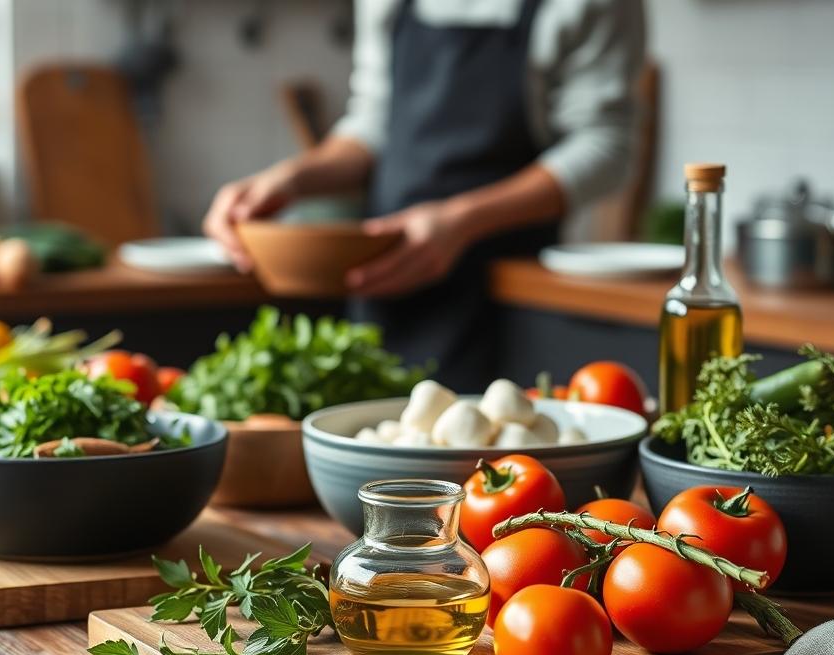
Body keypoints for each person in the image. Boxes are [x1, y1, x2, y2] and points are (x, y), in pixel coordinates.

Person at [204, 0, 647, 391]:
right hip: (390, 283)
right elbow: (375, 123)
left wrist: (461, 220)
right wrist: (291, 179)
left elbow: (605, 147)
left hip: (506, 297)